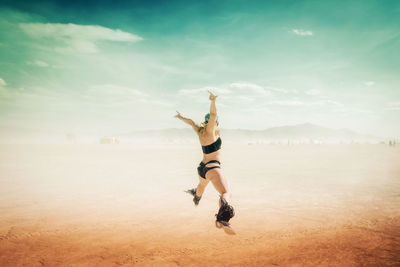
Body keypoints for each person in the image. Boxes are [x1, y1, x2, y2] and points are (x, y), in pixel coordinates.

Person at [174, 90, 235, 232]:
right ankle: (222, 218)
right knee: (226, 193)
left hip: (202, 169)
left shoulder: (200, 131)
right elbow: (213, 115)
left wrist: (180, 117)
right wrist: (213, 101)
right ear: (213, 123)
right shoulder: (210, 130)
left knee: (202, 185)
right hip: (213, 168)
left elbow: (191, 123)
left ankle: (196, 198)